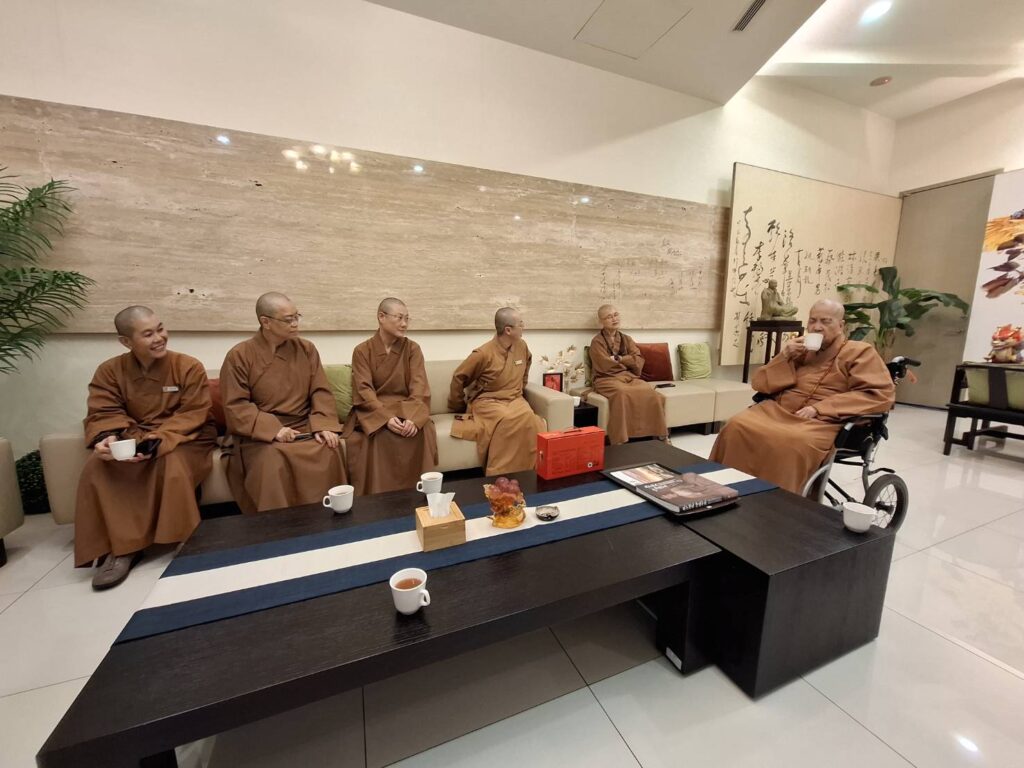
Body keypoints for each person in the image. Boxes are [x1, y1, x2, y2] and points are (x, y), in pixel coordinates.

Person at [75, 306, 216, 589]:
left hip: (185, 437)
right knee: (97, 466)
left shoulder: (187, 366)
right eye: (148, 334)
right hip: (134, 435)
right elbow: (104, 411)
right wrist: (108, 437)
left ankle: (184, 538)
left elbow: (194, 412)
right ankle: (121, 548)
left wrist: (158, 439)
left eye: (160, 329)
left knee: (171, 460)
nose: (159, 338)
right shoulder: (109, 371)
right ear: (126, 341)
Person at [710, 299, 895, 494]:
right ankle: (720, 490)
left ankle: (775, 501)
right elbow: (761, 384)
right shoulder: (802, 350)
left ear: (841, 325)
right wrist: (785, 355)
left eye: (825, 321)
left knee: (789, 442)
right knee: (736, 426)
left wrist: (820, 408)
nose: (817, 327)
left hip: (824, 421)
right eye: (812, 321)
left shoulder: (860, 352)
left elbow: (878, 394)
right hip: (779, 410)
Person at [220, 292, 346, 513]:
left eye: (297, 317)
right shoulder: (239, 356)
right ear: (266, 322)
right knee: (271, 459)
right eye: (288, 320)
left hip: (303, 427)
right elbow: (236, 405)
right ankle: (280, 527)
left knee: (329, 449)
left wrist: (323, 425)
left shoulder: (306, 349)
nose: (295, 324)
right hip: (260, 435)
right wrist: (273, 430)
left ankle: (327, 521)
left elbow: (320, 391)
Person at [342, 298, 438, 494]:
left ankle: (420, 493)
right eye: (399, 318)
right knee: (379, 433)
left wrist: (413, 418)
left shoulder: (412, 349)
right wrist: (385, 418)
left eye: (407, 319)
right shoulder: (362, 351)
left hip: (406, 407)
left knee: (422, 429)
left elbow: (419, 387)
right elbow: (363, 389)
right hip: (374, 410)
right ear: (381, 317)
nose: (404, 324)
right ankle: (380, 497)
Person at [448, 307, 544, 475]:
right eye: (520, 324)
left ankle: (531, 474)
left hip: (515, 399)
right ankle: (499, 474)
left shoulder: (522, 346)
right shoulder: (483, 353)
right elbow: (459, 377)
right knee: (508, 418)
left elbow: (526, 366)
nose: (524, 327)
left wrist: (519, 388)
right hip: (488, 401)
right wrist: (457, 405)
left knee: (532, 420)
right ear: (508, 330)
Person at [588, 305, 668, 444]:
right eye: (609, 317)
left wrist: (620, 359)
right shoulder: (597, 342)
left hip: (629, 377)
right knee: (622, 393)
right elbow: (604, 364)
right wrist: (627, 361)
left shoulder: (627, 339)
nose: (614, 319)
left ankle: (661, 435)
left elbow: (638, 360)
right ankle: (620, 439)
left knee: (651, 392)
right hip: (606, 379)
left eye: (616, 315)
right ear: (601, 321)